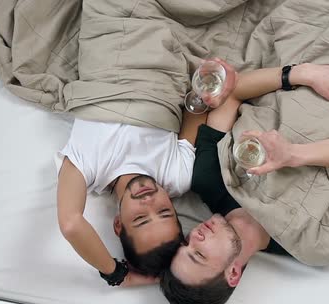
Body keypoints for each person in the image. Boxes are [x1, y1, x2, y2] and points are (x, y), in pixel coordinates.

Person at [159, 64, 329, 304]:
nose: (194, 236)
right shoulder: (316, 245)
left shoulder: (208, 179)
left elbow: (232, 93)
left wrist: (301, 74)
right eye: (199, 254)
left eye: (185, 243)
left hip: (294, 62)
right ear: (233, 273)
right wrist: (293, 155)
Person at [55, 59, 237, 286]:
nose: (149, 201)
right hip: (160, 62)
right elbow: (195, 103)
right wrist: (208, 91)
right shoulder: (176, 177)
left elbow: (71, 224)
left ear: (118, 224)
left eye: (141, 218)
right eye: (164, 211)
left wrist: (117, 274)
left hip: (109, 58)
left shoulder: (89, 168)